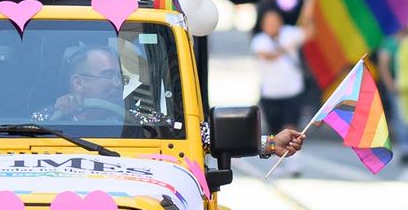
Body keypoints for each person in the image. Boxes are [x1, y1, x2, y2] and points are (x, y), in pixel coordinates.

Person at [35, 44, 305, 157]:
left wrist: (269, 142)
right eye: (107, 76)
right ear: (78, 82)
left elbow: (200, 136)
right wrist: (58, 114)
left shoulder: (143, 119)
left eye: (120, 76)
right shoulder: (42, 122)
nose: (117, 83)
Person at [252, 5, 310, 175]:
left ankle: (293, 162)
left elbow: (309, 31)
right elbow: (268, 55)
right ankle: (280, 162)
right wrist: (285, 47)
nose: (272, 24)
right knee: (276, 129)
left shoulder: (290, 33)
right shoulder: (260, 40)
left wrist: (309, 11)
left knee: (290, 126)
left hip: (293, 91)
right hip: (270, 93)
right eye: (268, 22)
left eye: (275, 21)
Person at [375, 30, 408, 163]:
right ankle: (405, 148)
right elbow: (383, 66)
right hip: (399, 88)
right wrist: (391, 86)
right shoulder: (390, 43)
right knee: (400, 118)